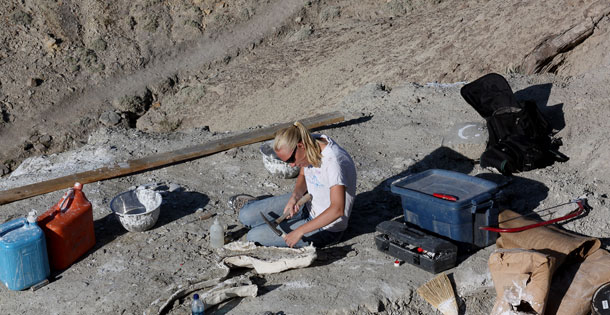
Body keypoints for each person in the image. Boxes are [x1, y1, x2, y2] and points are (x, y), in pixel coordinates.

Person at [235, 121, 357, 248]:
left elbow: (337, 210)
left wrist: (300, 231)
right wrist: (295, 197)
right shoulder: (311, 142)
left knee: (253, 236)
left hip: (327, 228)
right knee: (245, 215)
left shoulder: (334, 162)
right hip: (306, 204)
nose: (292, 165)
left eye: (291, 160)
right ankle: (261, 211)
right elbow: (304, 175)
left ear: (300, 146)